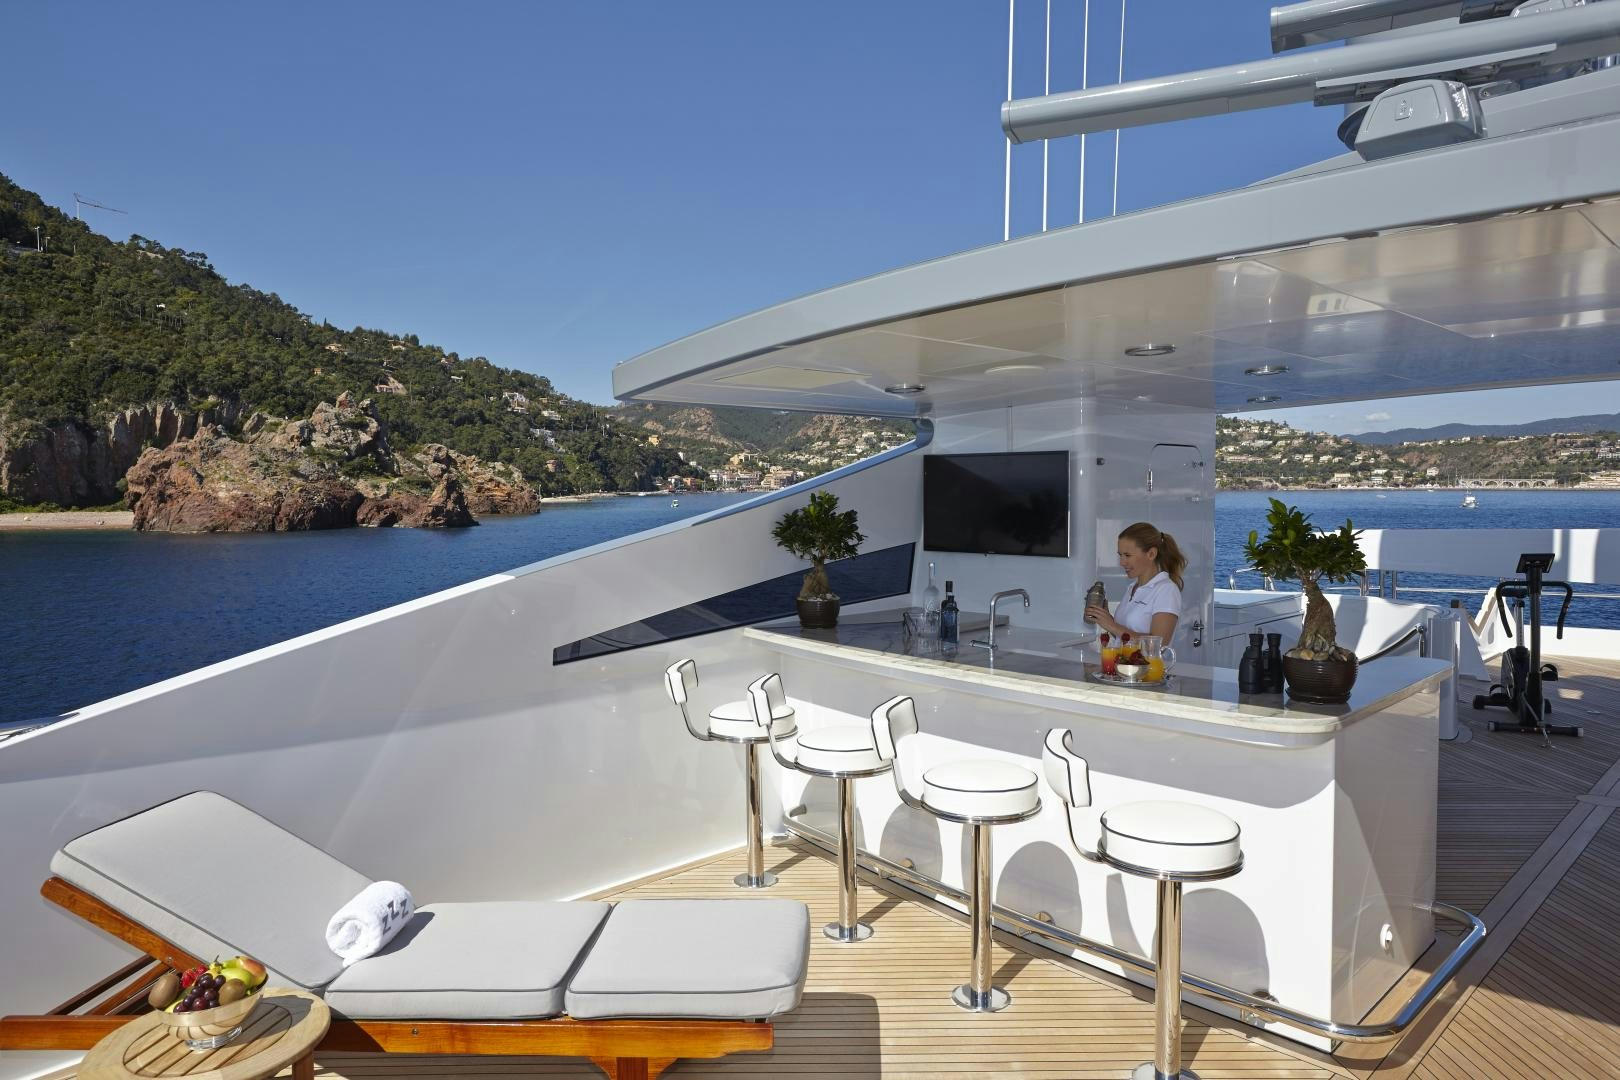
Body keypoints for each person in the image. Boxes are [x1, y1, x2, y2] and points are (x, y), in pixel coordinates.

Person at [1085, 522, 1185, 641]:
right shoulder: (1132, 588)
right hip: (1122, 660)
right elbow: (1123, 639)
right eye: (1120, 555)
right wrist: (1106, 618)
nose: (1122, 562)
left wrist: (1111, 625)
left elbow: (1160, 644)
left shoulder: (1167, 590)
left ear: (1151, 554)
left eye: (1127, 555)